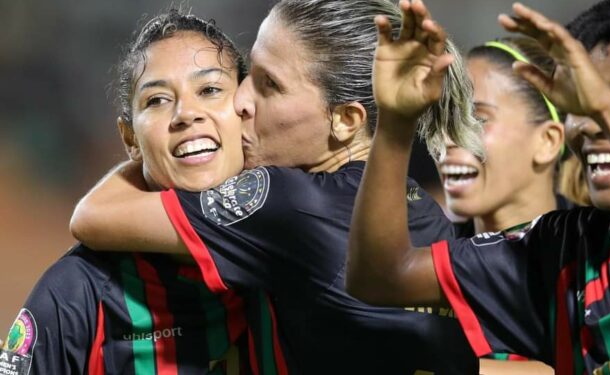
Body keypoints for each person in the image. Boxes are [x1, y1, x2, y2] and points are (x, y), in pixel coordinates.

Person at [70, 0, 481, 373]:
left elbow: (93, 217)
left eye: (270, 85)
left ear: (345, 121)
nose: (240, 101)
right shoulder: (428, 215)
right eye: (248, 75)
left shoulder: (286, 202)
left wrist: (147, 145)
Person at [347, 0, 610, 374]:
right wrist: (396, 124)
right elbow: (381, 276)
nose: (592, 123)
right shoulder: (564, 248)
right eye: (582, 105)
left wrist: (605, 111)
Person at [0, 9, 283, 374]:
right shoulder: (76, 292)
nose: (186, 113)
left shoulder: (298, 242)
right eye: (157, 100)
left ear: (246, 110)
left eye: (210, 90)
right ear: (130, 139)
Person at [441, 37, 573, 239]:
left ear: (548, 141)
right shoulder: (424, 260)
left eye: (477, 119)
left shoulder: (604, 254)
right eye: (444, 118)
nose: (448, 140)